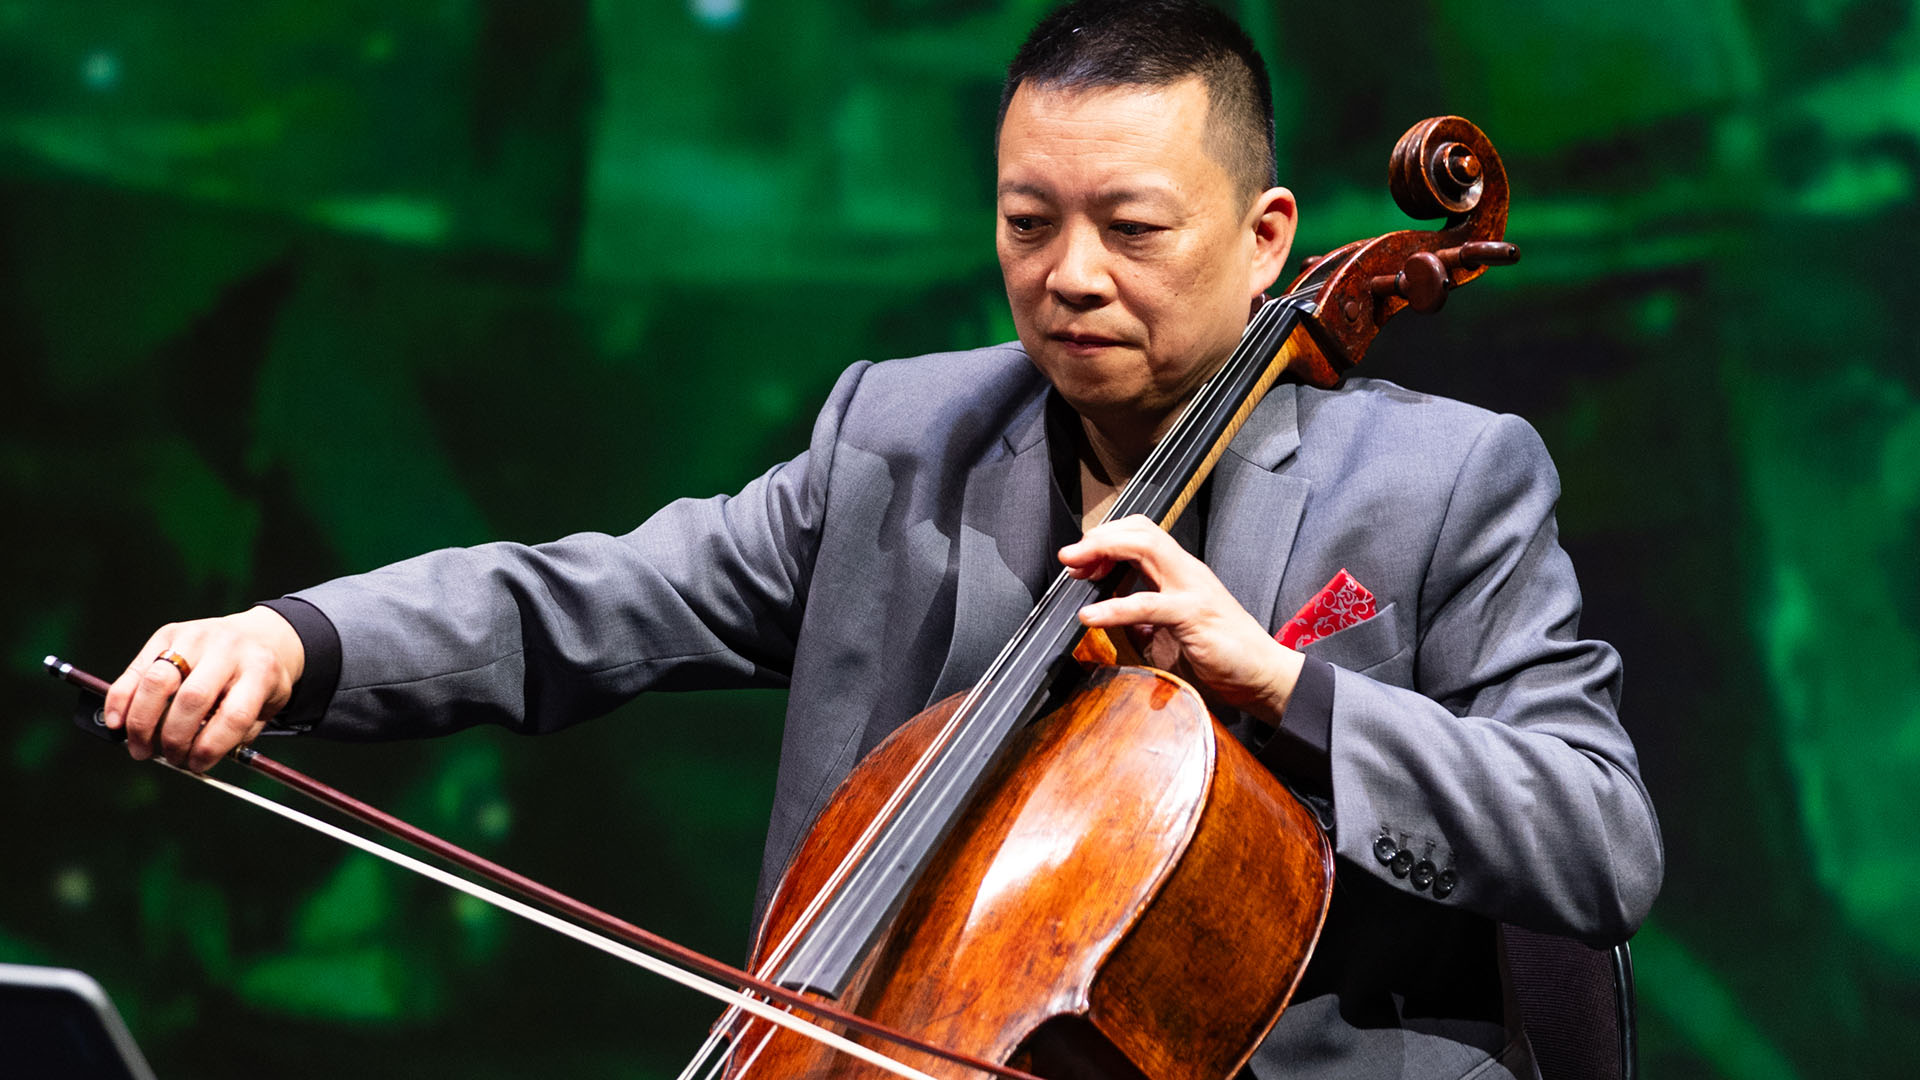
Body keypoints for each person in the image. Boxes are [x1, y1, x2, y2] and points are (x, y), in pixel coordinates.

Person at [102, 1, 1662, 1076]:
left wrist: (1285, 687)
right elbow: (585, 600)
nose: (1068, 275)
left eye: (1131, 228)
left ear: (1267, 240)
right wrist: (293, 641)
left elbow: (1601, 843)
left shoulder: (1448, 482)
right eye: (1027, 222)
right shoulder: (902, 440)